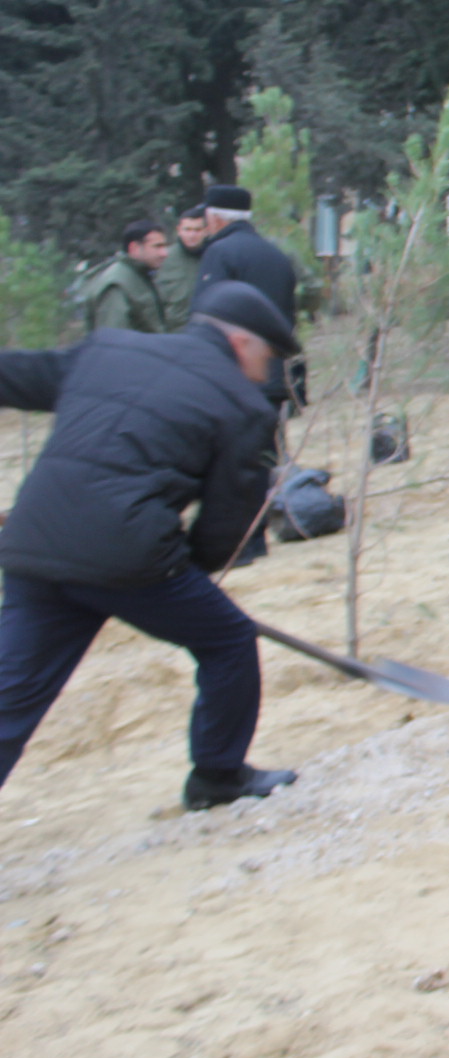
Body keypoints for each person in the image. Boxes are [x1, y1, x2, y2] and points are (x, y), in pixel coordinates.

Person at [0, 281, 301, 808]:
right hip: (126, 557)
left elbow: (16, 375)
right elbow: (226, 523)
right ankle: (217, 776)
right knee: (227, 640)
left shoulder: (108, 349)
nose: (266, 371)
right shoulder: (242, 407)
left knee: (13, 694)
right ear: (240, 344)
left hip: (34, 544)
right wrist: (188, 574)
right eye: (266, 356)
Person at [190, 185, 303, 409]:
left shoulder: (219, 252)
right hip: (275, 371)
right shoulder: (275, 253)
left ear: (214, 219)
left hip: (236, 376)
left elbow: (208, 317)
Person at [80, 220, 170, 336]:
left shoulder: (143, 276)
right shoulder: (116, 284)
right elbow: (112, 340)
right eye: (157, 246)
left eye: (165, 246)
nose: (164, 253)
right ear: (134, 248)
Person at [156, 207, 207, 324]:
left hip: (207, 330)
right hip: (173, 331)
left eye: (197, 230)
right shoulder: (164, 258)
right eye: (187, 229)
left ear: (206, 231)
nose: (192, 235)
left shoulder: (215, 256)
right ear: (179, 230)